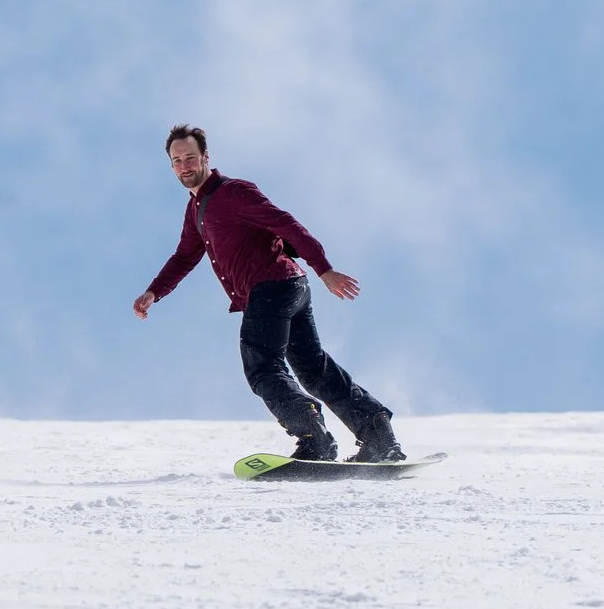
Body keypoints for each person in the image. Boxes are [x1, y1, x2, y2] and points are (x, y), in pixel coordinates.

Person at [131, 125, 404, 463]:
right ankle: (379, 438)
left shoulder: (234, 192)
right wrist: (154, 292)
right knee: (312, 369)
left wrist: (325, 269)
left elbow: (287, 225)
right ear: (171, 166)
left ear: (205, 157)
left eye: (190, 158)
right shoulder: (196, 210)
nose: (185, 166)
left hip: (273, 287)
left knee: (261, 365)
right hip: (288, 288)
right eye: (177, 161)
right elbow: (185, 256)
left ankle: (314, 439)